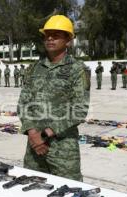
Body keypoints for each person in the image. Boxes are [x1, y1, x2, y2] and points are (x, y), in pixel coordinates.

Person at [17, 15, 90, 181]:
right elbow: (23, 104)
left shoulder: (78, 70)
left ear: (68, 40)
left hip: (63, 150)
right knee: (31, 189)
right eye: (47, 35)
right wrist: (33, 133)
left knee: (69, 191)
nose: (50, 38)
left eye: (56, 35)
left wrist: (45, 134)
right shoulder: (33, 68)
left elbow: (79, 110)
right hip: (34, 148)